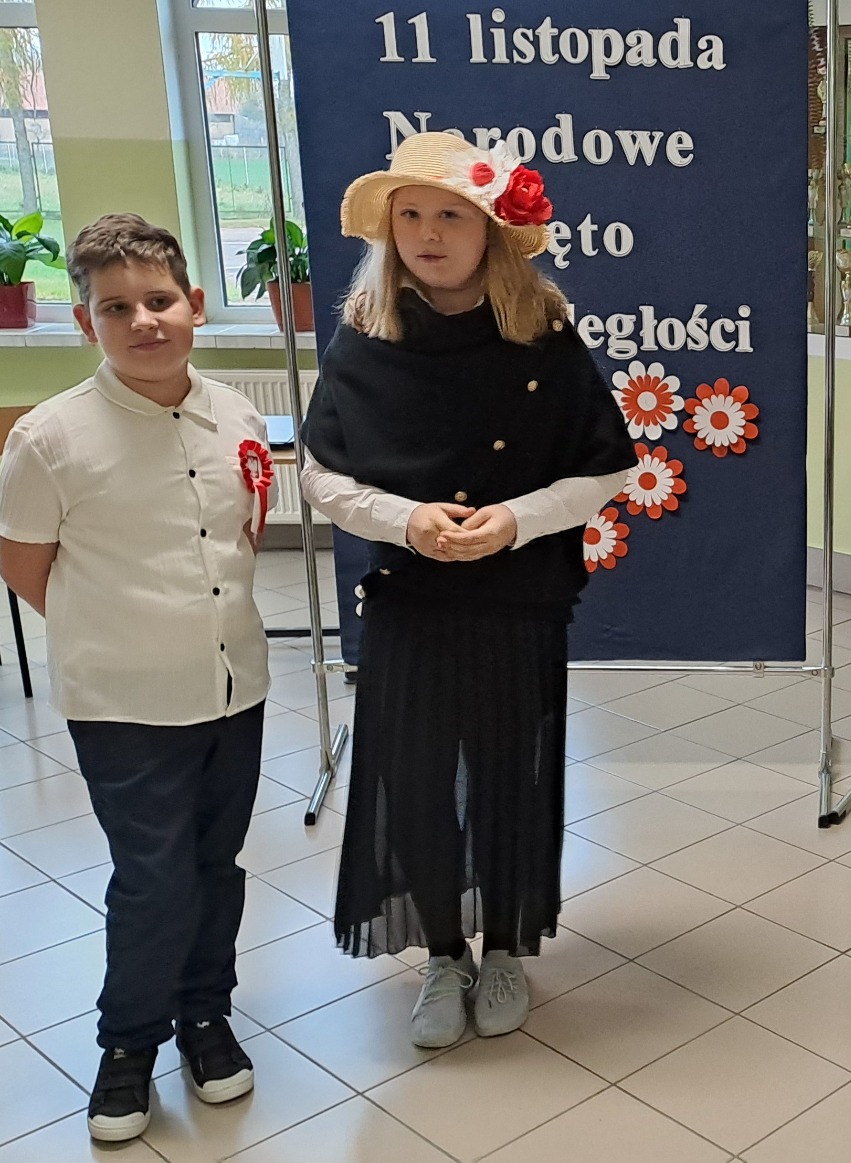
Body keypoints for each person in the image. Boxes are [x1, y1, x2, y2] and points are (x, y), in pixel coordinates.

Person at [300, 132, 635, 1048]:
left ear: (490, 227)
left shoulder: (542, 333)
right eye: (410, 214)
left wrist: (515, 520)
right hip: (410, 596)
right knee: (412, 780)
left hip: (516, 598)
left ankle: (505, 948)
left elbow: (606, 467)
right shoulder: (366, 334)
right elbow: (321, 475)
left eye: (450, 214)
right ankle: (443, 952)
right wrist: (405, 519)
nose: (428, 233)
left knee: (507, 774)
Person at [0, 214, 271, 1142]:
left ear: (195, 305)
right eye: (116, 308)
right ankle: (127, 1042)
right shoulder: (49, 439)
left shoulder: (236, 414)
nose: (143, 321)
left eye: (159, 300)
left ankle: (205, 1015)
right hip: (124, 702)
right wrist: (122, 629)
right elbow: (26, 566)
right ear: (87, 323)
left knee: (215, 866)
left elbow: (240, 535)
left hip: (235, 689)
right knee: (153, 877)